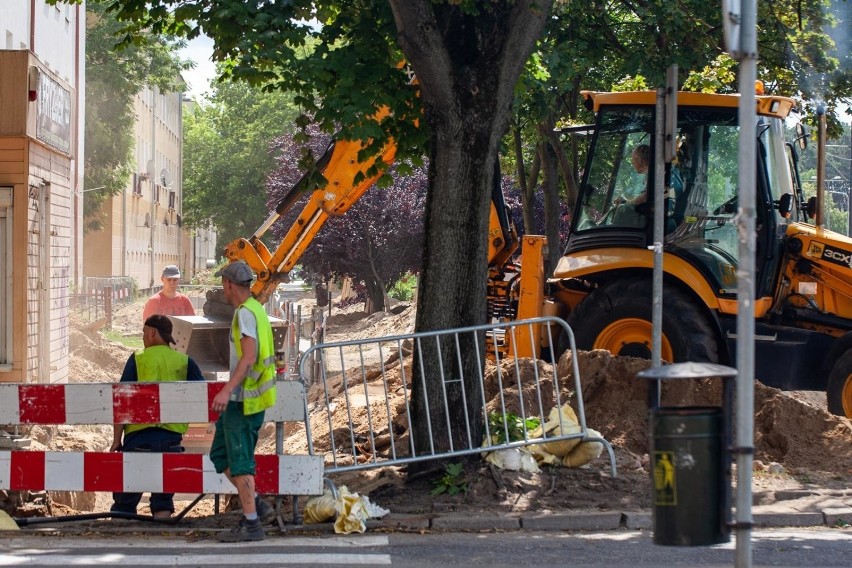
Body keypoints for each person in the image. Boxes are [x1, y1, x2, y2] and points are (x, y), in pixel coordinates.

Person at [110, 315, 205, 519]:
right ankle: (163, 539)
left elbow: (121, 401)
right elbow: (204, 395)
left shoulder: (138, 358)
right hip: (170, 441)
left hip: (138, 439)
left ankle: (120, 535)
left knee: (126, 498)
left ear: (152, 332)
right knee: (163, 498)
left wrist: (117, 440)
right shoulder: (185, 361)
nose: (143, 337)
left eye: (144, 333)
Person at [210, 261, 277, 542]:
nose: (222, 290)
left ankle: (252, 525)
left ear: (228, 284)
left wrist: (226, 390)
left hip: (243, 401)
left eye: (222, 285)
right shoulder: (255, 310)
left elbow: (249, 357)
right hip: (247, 398)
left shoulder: (246, 315)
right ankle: (258, 506)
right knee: (220, 455)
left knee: (240, 463)